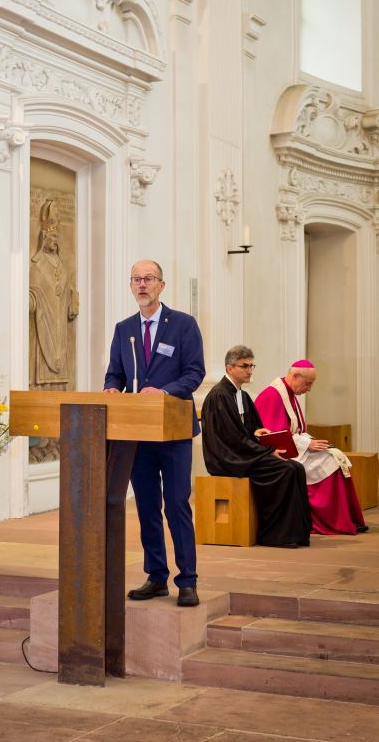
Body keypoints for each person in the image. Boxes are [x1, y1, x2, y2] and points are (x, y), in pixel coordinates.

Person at [104, 260, 205, 606]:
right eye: (136, 279)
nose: (142, 285)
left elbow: (195, 373)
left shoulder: (183, 325)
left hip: (173, 431)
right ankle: (156, 576)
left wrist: (165, 391)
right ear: (131, 286)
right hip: (138, 431)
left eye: (148, 279)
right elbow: (114, 373)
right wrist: (112, 390)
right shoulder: (124, 329)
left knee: (176, 504)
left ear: (162, 285)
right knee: (147, 505)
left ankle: (187, 580)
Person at [201, 345, 312, 548]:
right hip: (228, 458)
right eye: (245, 366)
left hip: (242, 452)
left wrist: (256, 432)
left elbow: (248, 428)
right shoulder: (219, 395)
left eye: (252, 366)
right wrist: (267, 451)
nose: (250, 370)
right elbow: (230, 438)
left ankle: (299, 533)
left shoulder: (241, 395)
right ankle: (275, 535)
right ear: (229, 368)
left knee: (297, 468)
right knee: (285, 470)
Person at [254, 360, 367, 535]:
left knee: (335, 457)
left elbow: (297, 430)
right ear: (295, 376)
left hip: (296, 448)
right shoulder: (272, 395)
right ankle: (332, 522)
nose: (309, 389)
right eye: (308, 383)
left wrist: (311, 442)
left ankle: (347, 519)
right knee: (330, 463)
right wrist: (307, 444)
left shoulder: (289, 394)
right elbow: (273, 435)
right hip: (280, 454)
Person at [29, 199, 79, 388]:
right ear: (44, 239)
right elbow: (34, 289)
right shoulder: (37, 263)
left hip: (60, 317)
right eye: (52, 238)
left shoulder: (60, 263)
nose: (55, 241)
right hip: (46, 315)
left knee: (61, 349)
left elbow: (69, 286)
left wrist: (72, 299)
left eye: (57, 238)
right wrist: (36, 298)